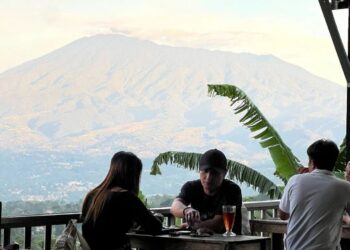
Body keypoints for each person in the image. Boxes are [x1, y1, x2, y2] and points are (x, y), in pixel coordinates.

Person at [81, 151, 162, 250]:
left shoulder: (92, 196)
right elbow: (155, 227)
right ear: (133, 175)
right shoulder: (126, 198)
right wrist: (158, 217)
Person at [279, 139, 350, 250]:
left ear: (312, 162)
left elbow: (283, 216)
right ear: (334, 162)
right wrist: (344, 217)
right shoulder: (345, 187)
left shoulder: (295, 180)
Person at [170, 148, 242, 234]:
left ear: (224, 173)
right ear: (199, 170)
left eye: (214, 173)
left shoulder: (232, 190)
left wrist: (191, 227)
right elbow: (174, 206)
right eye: (205, 171)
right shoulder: (192, 187)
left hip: (229, 242)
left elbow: (219, 224)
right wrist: (187, 210)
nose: (208, 177)